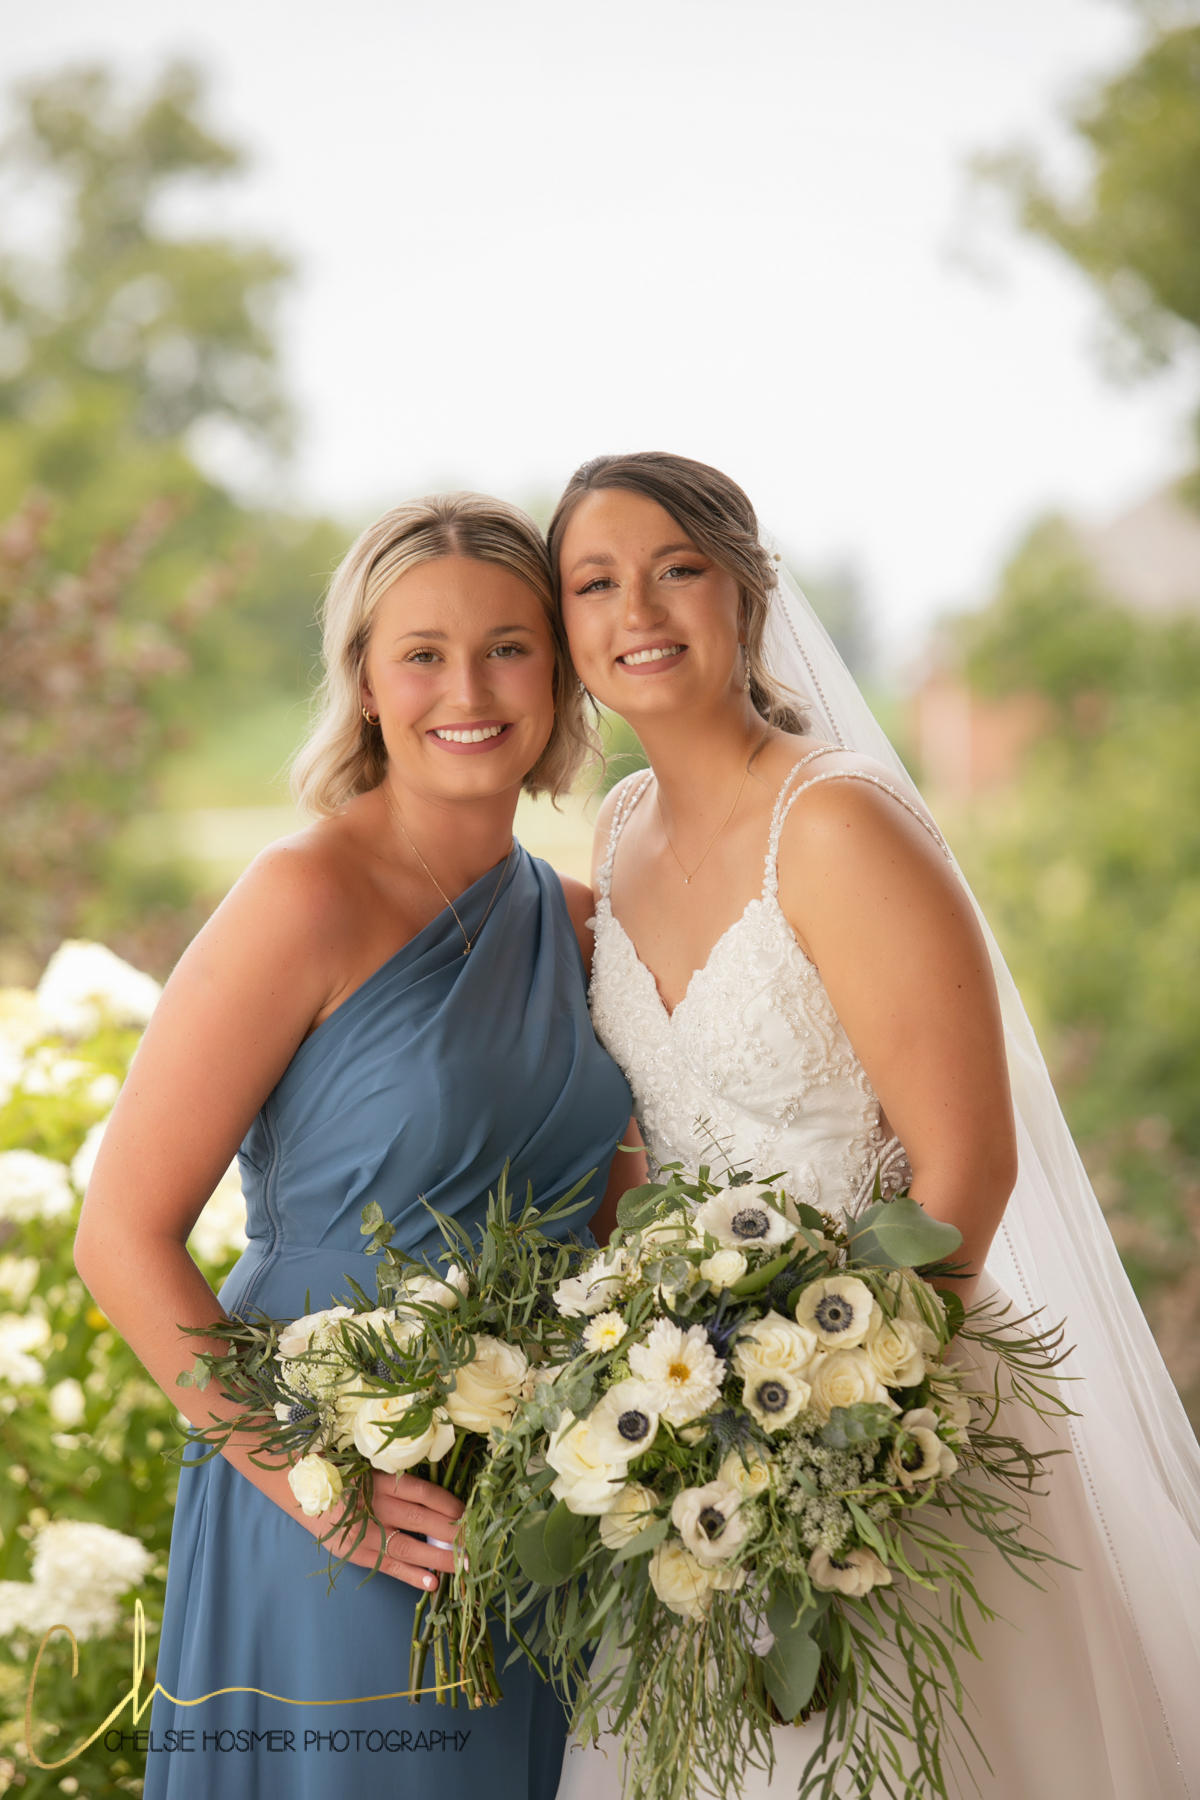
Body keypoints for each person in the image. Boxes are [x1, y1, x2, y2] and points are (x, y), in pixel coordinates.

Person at [548, 452, 1200, 1800]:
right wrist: (676, 1411)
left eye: (676, 569)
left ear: (746, 590)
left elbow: (968, 1163)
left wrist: (841, 1434)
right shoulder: (617, 829)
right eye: (594, 583)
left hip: (899, 1417)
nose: (638, 611)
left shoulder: (835, 821)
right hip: (693, 1435)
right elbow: (638, 1137)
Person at [73, 493, 639, 1800]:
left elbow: (618, 1223)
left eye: (508, 648)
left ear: (559, 678)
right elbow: (120, 1236)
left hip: (542, 1506)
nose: (470, 691)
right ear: (368, 686)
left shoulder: (585, 925)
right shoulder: (303, 898)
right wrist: (318, 1484)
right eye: (423, 654)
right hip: (331, 1494)